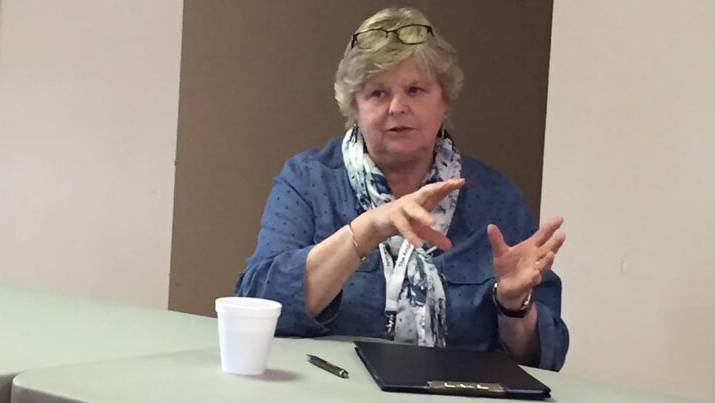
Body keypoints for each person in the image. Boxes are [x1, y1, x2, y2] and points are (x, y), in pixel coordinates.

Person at [235, 6, 569, 371]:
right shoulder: (308, 180)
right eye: (378, 93)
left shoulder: (496, 198)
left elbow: (544, 360)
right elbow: (257, 306)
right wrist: (368, 229)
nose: (397, 107)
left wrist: (514, 305)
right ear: (354, 106)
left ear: (444, 101)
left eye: (415, 90)